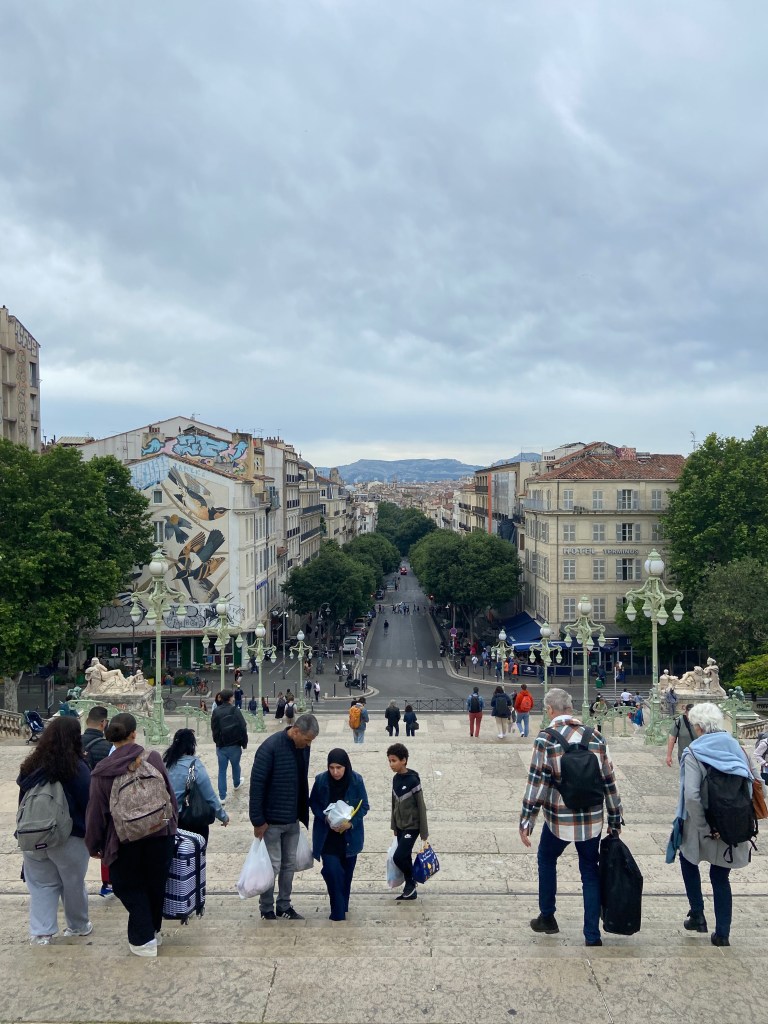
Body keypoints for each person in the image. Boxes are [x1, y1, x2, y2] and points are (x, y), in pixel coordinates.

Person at [519, 688, 623, 947]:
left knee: (547, 858)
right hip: (592, 819)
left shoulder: (546, 739)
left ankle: (547, 916)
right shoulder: (596, 737)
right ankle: (592, 935)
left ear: (550, 711)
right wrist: (615, 818)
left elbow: (537, 784)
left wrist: (527, 821)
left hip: (559, 819)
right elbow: (609, 781)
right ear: (570, 708)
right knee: (589, 869)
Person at [85, 713, 177, 958]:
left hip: (124, 839)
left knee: (127, 886)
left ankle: (143, 939)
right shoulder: (153, 757)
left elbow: (96, 812)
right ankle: (152, 930)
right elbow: (170, 795)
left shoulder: (102, 771)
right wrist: (170, 826)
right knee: (155, 885)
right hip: (160, 833)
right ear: (134, 733)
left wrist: (93, 844)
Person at [674, 703, 755, 946]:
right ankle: (722, 934)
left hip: (702, 824)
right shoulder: (737, 748)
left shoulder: (694, 752)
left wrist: (703, 828)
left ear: (698, 727)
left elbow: (691, 796)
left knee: (688, 861)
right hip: (732, 824)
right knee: (720, 877)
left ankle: (697, 913)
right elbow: (752, 783)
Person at [18, 716, 92, 945]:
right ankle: (78, 926)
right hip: (68, 837)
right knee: (73, 883)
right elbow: (88, 802)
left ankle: (41, 933)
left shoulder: (29, 767)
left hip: (33, 834)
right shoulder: (76, 768)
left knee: (41, 885)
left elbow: (23, 802)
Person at [249, 713, 320, 921]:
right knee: (272, 865)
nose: (308, 744)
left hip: (292, 818)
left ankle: (284, 905)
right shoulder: (270, 747)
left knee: (289, 865)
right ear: (296, 731)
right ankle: (267, 908)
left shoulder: (303, 747)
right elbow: (257, 786)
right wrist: (258, 820)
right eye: (306, 739)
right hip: (271, 821)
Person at [309, 748, 369, 921]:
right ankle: (337, 912)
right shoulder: (321, 780)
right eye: (332, 768)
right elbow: (313, 803)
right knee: (333, 870)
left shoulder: (356, 781)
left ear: (346, 767)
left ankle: (342, 904)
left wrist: (350, 823)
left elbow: (364, 806)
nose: (335, 772)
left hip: (349, 838)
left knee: (346, 875)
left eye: (339, 768)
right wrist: (325, 818)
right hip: (327, 837)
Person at [163, 728, 229, 841]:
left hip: (169, 821)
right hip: (191, 820)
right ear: (191, 745)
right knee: (195, 854)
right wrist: (223, 816)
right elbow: (210, 796)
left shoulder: (165, 764)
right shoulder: (195, 766)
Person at [388, 742, 429, 902]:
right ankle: (410, 890)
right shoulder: (395, 779)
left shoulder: (413, 780)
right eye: (390, 761)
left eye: (394, 760)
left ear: (403, 760)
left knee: (399, 857)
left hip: (412, 827)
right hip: (400, 826)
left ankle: (411, 881)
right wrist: (394, 825)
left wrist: (424, 832)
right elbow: (393, 803)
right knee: (405, 857)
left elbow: (421, 806)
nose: (391, 764)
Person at [81, 706, 114, 897]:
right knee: (106, 842)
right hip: (100, 800)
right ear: (104, 723)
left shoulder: (72, 743)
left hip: (76, 802)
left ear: (87, 722)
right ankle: (107, 884)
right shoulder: (107, 746)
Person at [211, 690, 248, 803]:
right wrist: (244, 743)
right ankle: (236, 783)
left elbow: (214, 729)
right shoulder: (235, 710)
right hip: (235, 744)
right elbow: (243, 726)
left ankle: (222, 796)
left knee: (222, 770)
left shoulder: (216, 711)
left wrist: (218, 742)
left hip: (221, 746)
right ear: (231, 698)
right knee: (235, 765)